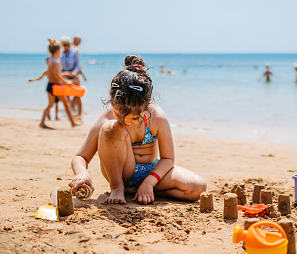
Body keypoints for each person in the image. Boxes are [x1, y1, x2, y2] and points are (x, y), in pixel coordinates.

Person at [69, 55, 207, 205]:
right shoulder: (109, 115)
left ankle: (142, 189)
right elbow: (80, 157)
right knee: (110, 127)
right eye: (119, 115)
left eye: (134, 118)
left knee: (198, 187)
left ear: (146, 105)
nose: (126, 121)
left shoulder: (157, 117)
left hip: (151, 171)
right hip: (121, 173)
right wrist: (82, 173)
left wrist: (149, 182)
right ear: (112, 102)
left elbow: (168, 159)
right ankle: (118, 188)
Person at [40, 39, 80, 128]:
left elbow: (53, 73)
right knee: (66, 104)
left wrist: (63, 74)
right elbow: (56, 74)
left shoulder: (50, 60)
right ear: (58, 51)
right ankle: (73, 123)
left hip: (50, 85)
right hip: (57, 86)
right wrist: (66, 82)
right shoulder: (57, 61)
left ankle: (42, 122)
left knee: (50, 105)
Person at [60, 36, 83, 116]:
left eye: (67, 44)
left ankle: (79, 113)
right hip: (64, 76)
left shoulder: (74, 52)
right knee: (67, 96)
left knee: (77, 95)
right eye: (64, 44)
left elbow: (77, 65)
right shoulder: (60, 53)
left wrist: (74, 72)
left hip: (74, 76)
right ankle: (69, 113)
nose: (65, 46)